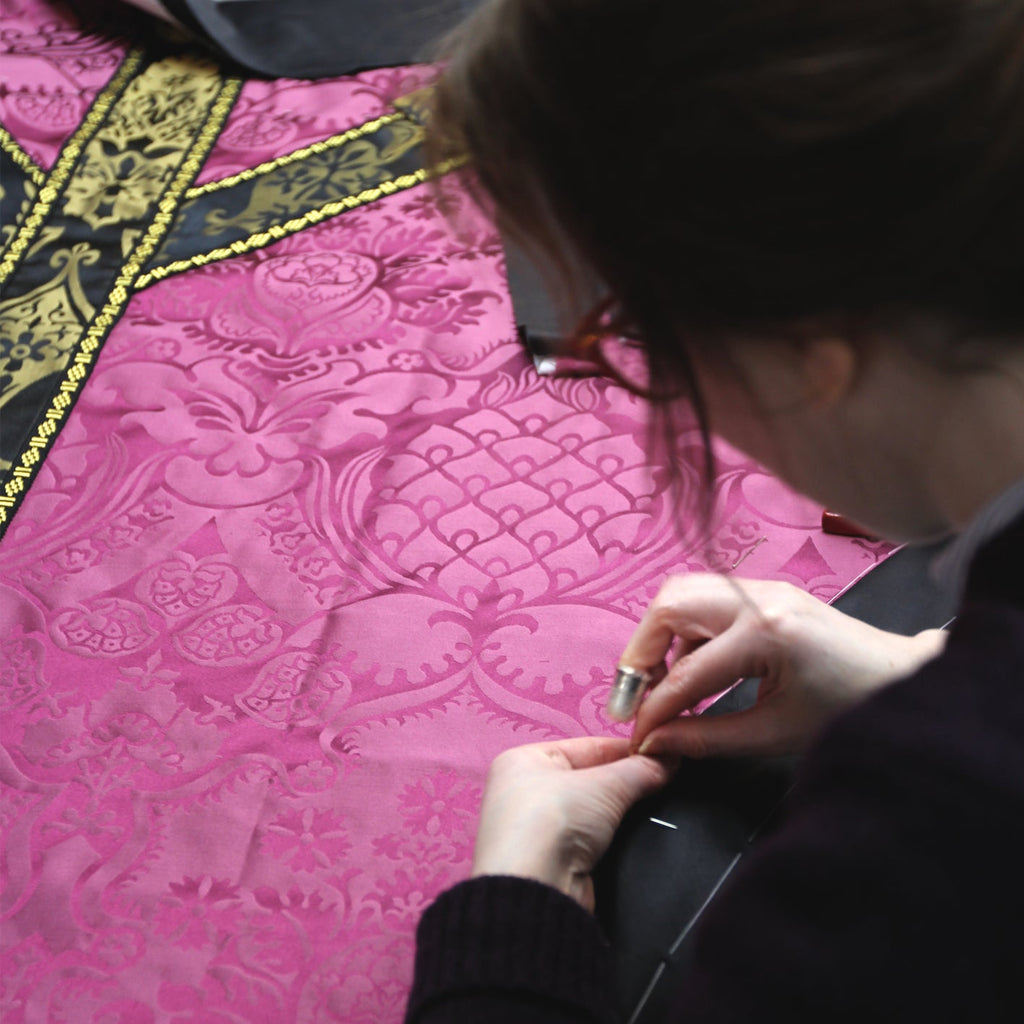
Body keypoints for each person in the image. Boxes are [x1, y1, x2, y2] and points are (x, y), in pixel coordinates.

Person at [404, 1, 1024, 1021]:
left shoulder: (916, 840)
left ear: (806, 356)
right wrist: (922, 668)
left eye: (636, 330)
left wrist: (511, 913)